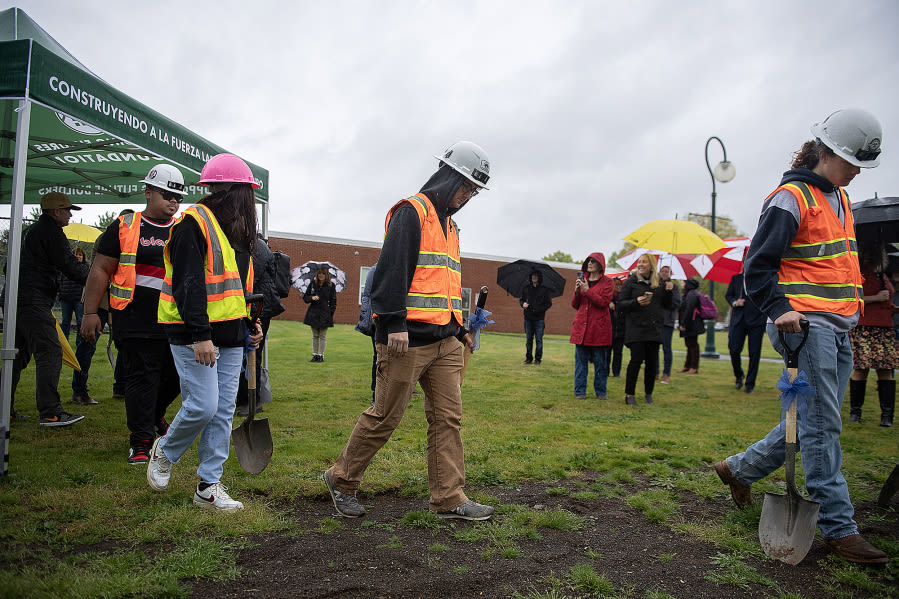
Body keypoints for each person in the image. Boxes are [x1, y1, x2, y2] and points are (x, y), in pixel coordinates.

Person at [714, 108, 887, 564]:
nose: (854, 172)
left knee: (810, 420)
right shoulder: (791, 198)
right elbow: (757, 267)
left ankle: (739, 469)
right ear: (825, 152)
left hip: (839, 326)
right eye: (850, 162)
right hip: (804, 327)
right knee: (823, 423)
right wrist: (782, 310)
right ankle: (837, 526)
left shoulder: (841, 199)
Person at [323, 141, 494, 521]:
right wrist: (395, 322)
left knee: (448, 418)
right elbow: (390, 273)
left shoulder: (451, 226)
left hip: (445, 341)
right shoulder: (412, 213)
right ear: (448, 176)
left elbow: (442, 284)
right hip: (405, 340)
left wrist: (460, 327)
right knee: (385, 416)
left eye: (473, 191)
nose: (467, 196)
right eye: (465, 186)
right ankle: (341, 479)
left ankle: (450, 498)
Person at [147, 153, 262, 511]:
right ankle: (164, 451)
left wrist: (249, 324)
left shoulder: (230, 232)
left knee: (224, 411)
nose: (251, 203)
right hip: (193, 334)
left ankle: (208, 486)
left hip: (228, 336)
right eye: (247, 193)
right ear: (230, 192)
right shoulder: (193, 225)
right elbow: (188, 284)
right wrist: (200, 334)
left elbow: (230, 288)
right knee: (203, 405)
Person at [81, 164, 186, 464]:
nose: (173, 201)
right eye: (167, 194)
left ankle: (153, 415)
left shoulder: (183, 229)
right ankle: (140, 440)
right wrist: (91, 311)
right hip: (134, 318)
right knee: (142, 378)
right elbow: (101, 269)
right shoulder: (124, 226)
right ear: (148, 192)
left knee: (178, 375)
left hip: (173, 319)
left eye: (178, 196)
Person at [8, 192, 90, 426]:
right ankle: (51, 412)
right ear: (55, 212)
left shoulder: (29, 232)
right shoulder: (52, 233)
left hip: (17, 298)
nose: (70, 214)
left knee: (15, 355)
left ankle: (5, 407)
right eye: (67, 210)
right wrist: (97, 278)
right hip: (33, 300)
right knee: (50, 351)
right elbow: (70, 266)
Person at [847, 239, 897, 427]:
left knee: (886, 370)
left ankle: (886, 416)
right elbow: (853, 298)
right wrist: (875, 298)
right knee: (861, 369)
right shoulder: (861, 273)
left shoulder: (882, 275)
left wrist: (892, 307)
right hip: (865, 327)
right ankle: (855, 412)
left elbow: (887, 300)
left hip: (885, 327)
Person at [236, 233, 286, 416]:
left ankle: (254, 400)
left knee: (253, 352)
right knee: (247, 352)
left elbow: (250, 277)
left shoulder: (257, 246)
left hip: (258, 306)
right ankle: (244, 398)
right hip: (254, 303)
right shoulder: (252, 244)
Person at [617, 254, 673, 405]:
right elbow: (621, 304)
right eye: (640, 262)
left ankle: (649, 394)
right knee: (636, 360)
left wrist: (669, 290)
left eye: (644, 262)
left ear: (651, 265)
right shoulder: (631, 283)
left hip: (653, 329)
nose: (641, 264)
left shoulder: (659, 284)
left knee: (652, 363)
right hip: (636, 328)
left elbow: (668, 305)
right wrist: (636, 302)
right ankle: (630, 394)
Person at [569, 253, 614, 399]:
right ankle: (579, 391)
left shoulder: (608, 282)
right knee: (580, 363)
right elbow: (575, 305)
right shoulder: (583, 280)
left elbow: (603, 302)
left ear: (600, 264)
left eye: (593, 261)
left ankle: (601, 392)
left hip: (599, 329)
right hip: (582, 328)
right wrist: (577, 292)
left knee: (600, 363)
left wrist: (587, 290)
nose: (590, 263)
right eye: (588, 260)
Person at [725, 261, 766, 394]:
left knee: (754, 353)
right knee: (733, 349)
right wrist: (735, 302)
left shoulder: (760, 279)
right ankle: (739, 375)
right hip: (739, 320)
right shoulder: (736, 279)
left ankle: (750, 384)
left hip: (756, 321)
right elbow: (728, 295)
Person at [303, 267, 337, 362]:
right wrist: (312, 298)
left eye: (323, 273)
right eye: (319, 273)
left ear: (326, 275)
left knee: (322, 335)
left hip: (325, 313)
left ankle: (321, 355)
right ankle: (315, 355)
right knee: (315, 335)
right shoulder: (313, 284)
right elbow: (305, 298)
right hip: (313, 313)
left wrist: (330, 314)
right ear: (317, 274)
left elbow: (333, 301)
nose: (321, 275)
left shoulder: (331, 286)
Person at [355, 263, 378, 403]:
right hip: (377, 320)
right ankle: (376, 394)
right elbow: (367, 295)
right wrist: (367, 318)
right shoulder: (375, 269)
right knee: (379, 357)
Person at [521, 270, 553, 365]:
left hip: (539, 319)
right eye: (532, 276)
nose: (534, 277)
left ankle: (538, 359)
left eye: (536, 276)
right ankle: (528, 358)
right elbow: (521, 300)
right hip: (528, 318)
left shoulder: (544, 290)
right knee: (528, 339)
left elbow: (548, 303)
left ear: (539, 277)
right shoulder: (526, 289)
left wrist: (539, 309)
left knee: (539, 339)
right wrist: (523, 304)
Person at [657, 265, 681, 384]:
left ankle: (666, 373)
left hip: (667, 322)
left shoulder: (674, 287)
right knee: (654, 347)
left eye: (667, 271)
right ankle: (654, 371)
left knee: (666, 348)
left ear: (670, 273)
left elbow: (676, 304)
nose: (664, 273)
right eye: (662, 271)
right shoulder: (656, 285)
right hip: (656, 320)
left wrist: (669, 292)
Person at [58, 247, 86, 339]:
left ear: (83, 257)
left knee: (80, 321)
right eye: (75, 254)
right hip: (66, 298)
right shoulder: (65, 267)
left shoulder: (86, 268)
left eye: (80, 255)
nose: (78, 256)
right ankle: (64, 343)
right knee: (65, 321)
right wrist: (61, 292)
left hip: (79, 299)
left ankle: (80, 342)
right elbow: (60, 280)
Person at [678, 279, 705, 374]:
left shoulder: (692, 295)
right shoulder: (688, 294)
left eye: (683, 282)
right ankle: (687, 365)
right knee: (689, 344)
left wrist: (683, 324)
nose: (682, 284)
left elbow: (689, 310)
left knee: (693, 345)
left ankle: (694, 366)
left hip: (692, 324)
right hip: (690, 324)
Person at [609, 277, 626, 378]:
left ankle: (616, 372)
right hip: (610, 330)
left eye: (620, 285)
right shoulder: (608, 299)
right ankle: (605, 371)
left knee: (618, 352)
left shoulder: (623, 300)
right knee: (607, 352)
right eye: (617, 285)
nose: (619, 287)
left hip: (620, 330)